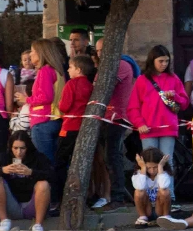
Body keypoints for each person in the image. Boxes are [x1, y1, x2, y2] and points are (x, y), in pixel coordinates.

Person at [128, 45, 188, 160]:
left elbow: (184, 103)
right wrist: (139, 123)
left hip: (168, 128)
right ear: (152, 60)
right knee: (150, 163)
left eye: (167, 61)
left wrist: (175, 96)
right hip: (148, 128)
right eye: (161, 61)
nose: (164, 64)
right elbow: (133, 107)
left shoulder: (173, 78)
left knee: (167, 162)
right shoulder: (142, 80)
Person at [94, 39, 135, 207]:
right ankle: (109, 193)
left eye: (103, 49)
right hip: (105, 116)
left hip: (117, 117)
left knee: (113, 156)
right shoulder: (104, 67)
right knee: (106, 158)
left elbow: (103, 88)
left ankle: (118, 195)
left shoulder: (120, 65)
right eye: (97, 50)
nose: (100, 53)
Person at [0, 132, 51, 231]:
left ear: (28, 147)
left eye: (22, 148)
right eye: (15, 148)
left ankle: (38, 224)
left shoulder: (38, 157)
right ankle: (4, 221)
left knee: (43, 184)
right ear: (10, 147)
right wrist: (3, 170)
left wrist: (31, 172)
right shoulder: (4, 157)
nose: (18, 152)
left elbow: (52, 176)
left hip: (33, 204)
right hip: (12, 205)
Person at [52, 54, 96, 201]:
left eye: (70, 67)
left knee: (60, 161)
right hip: (83, 128)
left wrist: (59, 104)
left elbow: (64, 106)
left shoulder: (71, 84)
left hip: (69, 127)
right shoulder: (90, 86)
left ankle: (58, 195)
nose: (68, 70)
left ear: (78, 69)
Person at [25, 37, 70, 165]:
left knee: (45, 163)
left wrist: (26, 99)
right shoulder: (58, 71)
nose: (30, 54)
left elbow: (46, 97)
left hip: (43, 120)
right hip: (56, 119)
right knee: (56, 162)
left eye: (32, 51)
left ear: (41, 53)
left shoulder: (45, 70)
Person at [132, 148, 175, 228]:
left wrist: (160, 167)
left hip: (160, 208)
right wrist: (143, 169)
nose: (152, 171)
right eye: (148, 168)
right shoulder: (138, 174)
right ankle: (142, 217)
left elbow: (163, 186)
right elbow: (139, 187)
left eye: (155, 167)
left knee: (165, 191)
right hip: (147, 208)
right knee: (138, 192)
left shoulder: (164, 173)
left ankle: (166, 217)